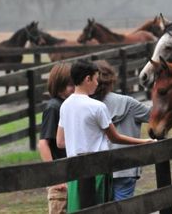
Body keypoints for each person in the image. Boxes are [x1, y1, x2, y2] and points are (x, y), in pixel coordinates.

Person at [56, 59, 154, 212]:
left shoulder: (65, 106)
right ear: (87, 79)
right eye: (95, 79)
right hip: (98, 169)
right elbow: (115, 137)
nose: (97, 83)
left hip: (75, 171)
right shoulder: (97, 107)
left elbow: (60, 142)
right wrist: (143, 142)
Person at [93, 59, 152, 201]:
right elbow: (154, 116)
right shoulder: (128, 103)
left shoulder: (88, 106)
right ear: (111, 80)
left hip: (97, 169)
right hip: (126, 167)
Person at [38, 62, 74, 214]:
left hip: (70, 175)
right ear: (59, 85)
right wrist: (55, 177)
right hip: (60, 179)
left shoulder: (67, 105)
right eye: (70, 85)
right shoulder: (54, 107)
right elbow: (43, 144)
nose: (73, 89)